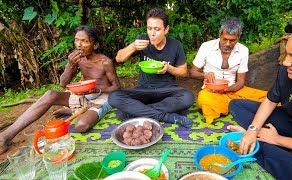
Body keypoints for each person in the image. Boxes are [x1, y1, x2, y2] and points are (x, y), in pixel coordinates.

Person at [0, 25, 120, 154]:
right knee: (50, 94)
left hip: (102, 96)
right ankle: (5, 137)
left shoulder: (105, 62)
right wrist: (70, 65)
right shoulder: (78, 60)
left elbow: (117, 87)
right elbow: (63, 83)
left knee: (81, 125)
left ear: (95, 45)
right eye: (77, 40)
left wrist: (97, 89)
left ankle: (76, 110)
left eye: (84, 41)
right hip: (84, 95)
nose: (79, 45)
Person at [228, 18, 292, 180]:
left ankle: (264, 145)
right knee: (237, 106)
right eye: (287, 55)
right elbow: (270, 100)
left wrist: (277, 139)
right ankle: (263, 144)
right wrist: (252, 130)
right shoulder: (287, 71)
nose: (285, 62)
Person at [108, 8, 194, 127]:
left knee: (188, 97)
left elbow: (183, 72)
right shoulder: (142, 40)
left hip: (167, 91)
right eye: (149, 28)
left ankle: (138, 112)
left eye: (157, 29)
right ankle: (165, 116)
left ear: (166, 29)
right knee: (114, 97)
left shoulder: (175, 45)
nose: (152, 33)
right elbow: (119, 58)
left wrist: (169, 68)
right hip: (143, 90)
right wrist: (133, 46)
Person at [190, 17, 267, 124]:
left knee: (266, 97)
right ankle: (236, 105)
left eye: (232, 40)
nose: (227, 44)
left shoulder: (243, 50)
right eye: (225, 39)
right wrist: (205, 75)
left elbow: (240, 82)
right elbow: (192, 72)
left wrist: (227, 90)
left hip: (233, 90)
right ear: (220, 35)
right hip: (211, 92)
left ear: (238, 37)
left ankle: (231, 104)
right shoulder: (206, 47)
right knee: (204, 100)